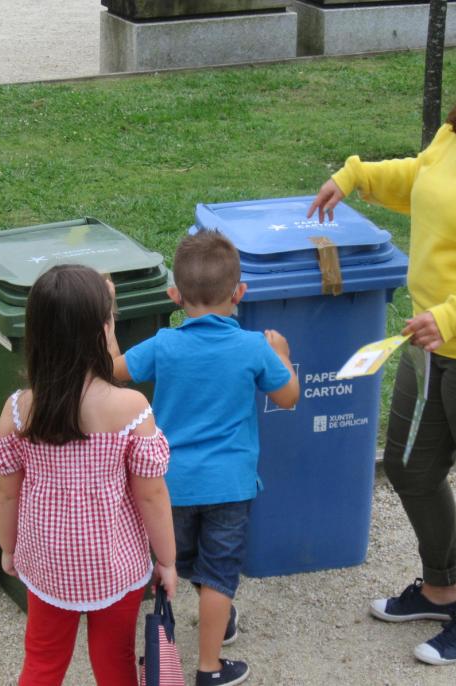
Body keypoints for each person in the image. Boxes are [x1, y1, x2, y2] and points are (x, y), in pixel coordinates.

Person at [112, 229, 299, 686]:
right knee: (219, 574)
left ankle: (185, 639)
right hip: (230, 485)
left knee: (184, 562)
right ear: (240, 293)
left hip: (171, 484)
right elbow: (289, 396)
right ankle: (209, 668)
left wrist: (106, 329)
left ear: (174, 295)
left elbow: (115, 371)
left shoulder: (164, 344)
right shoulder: (255, 346)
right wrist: (283, 354)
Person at [308, 105, 456, 666]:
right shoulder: (452, 134)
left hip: (446, 333)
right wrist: (355, 176)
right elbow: (423, 178)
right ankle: (443, 587)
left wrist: (450, 316)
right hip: (429, 343)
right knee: (410, 466)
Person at [0, 264, 177, 686]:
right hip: (115, 564)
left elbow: (7, 493)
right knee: (114, 664)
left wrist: (8, 549)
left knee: (42, 661)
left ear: (36, 334)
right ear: (103, 332)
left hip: (47, 562)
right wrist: (165, 559)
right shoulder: (130, 410)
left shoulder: (20, 410)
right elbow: (152, 496)